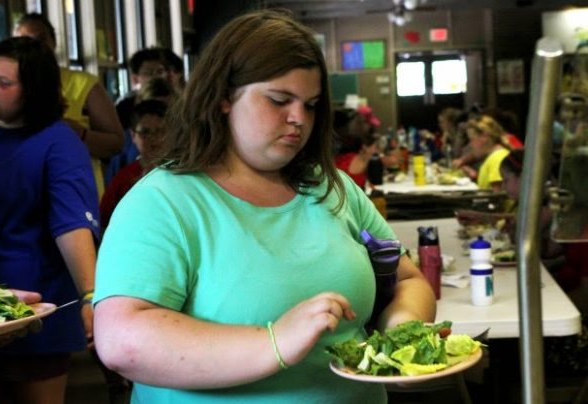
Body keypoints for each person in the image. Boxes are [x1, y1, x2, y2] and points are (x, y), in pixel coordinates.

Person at [93, 10, 435, 404]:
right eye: (279, 100)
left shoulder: (332, 187)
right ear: (223, 97)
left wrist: (402, 336)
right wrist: (274, 344)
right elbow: (122, 341)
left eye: (310, 105)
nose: (298, 119)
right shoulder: (163, 201)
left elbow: (407, 281)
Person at [0, 37, 99, 404]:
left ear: (32, 91)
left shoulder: (58, 143)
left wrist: (90, 296)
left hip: (35, 305)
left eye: (3, 83)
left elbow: (71, 225)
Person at [13, 13, 124, 199]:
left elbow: (116, 143)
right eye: (24, 41)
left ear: (54, 43)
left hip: (78, 192)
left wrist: (79, 134)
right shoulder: (6, 86)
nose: (33, 46)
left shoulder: (82, 83)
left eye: (40, 39)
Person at [100, 99, 167, 231]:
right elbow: (105, 223)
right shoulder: (123, 180)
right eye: (145, 132)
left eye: (161, 131)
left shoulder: (183, 174)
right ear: (133, 136)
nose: (154, 138)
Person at [461, 115, 511, 191]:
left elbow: (497, 195)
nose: (470, 145)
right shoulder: (493, 156)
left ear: (485, 136)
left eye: (472, 139)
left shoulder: (497, 158)